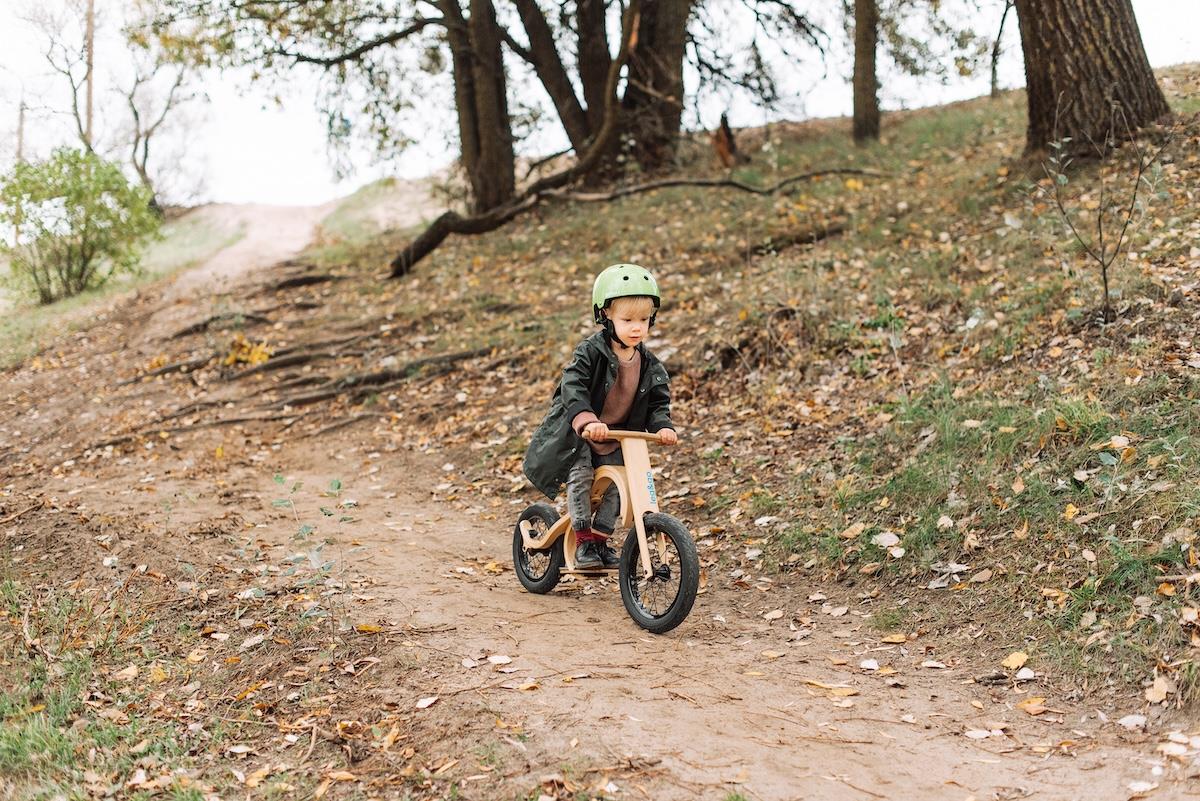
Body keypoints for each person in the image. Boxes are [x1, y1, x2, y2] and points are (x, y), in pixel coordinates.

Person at [523, 263, 678, 569]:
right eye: (628, 319)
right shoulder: (590, 352)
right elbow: (572, 386)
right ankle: (582, 542)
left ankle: (600, 540)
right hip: (582, 434)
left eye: (644, 320)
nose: (637, 327)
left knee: (623, 487)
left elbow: (658, 403)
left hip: (617, 436)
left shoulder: (651, 365)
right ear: (605, 315)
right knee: (581, 477)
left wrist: (663, 426)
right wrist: (587, 420)